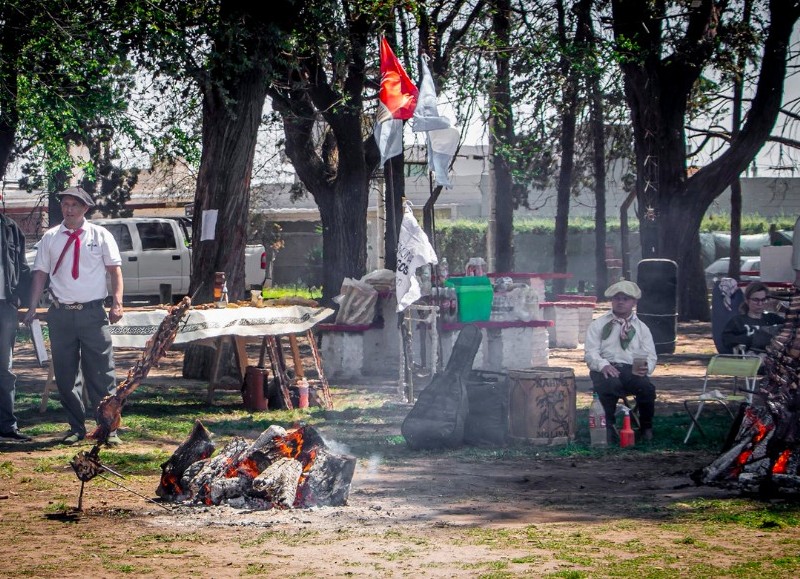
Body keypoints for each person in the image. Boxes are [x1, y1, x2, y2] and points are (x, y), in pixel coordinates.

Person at [23, 187, 124, 445]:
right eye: (65, 204)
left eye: (74, 205)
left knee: (102, 373)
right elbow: (40, 274)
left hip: (92, 313)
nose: (68, 209)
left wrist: (117, 303)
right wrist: (33, 305)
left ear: (85, 209)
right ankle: (76, 428)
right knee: (67, 376)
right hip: (61, 314)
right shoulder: (50, 237)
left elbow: (115, 272)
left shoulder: (100, 235)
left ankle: (108, 430)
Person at [584, 280, 657, 443]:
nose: (621, 302)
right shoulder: (599, 324)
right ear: (612, 301)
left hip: (632, 371)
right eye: (617, 298)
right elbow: (590, 352)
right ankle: (607, 429)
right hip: (605, 368)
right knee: (610, 385)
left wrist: (647, 368)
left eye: (625, 299)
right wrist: (603, 365)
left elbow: (651, 355)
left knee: (646, 388)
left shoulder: (642, 328)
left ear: (634, 302)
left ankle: (646, 428)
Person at [0, 213, 32, 441]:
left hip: (5, 307)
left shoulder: (11, 227)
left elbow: (22, 266)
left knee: (4, 369)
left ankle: (6, 425)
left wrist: (22, 298)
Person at [721, 282, 783, 356]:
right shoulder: (737, 321)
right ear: (747, 300)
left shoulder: (773, 319)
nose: (760, 303)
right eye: (756, 300)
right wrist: (751, 339)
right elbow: (727, 340)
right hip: (748, 360)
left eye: (763, 300)